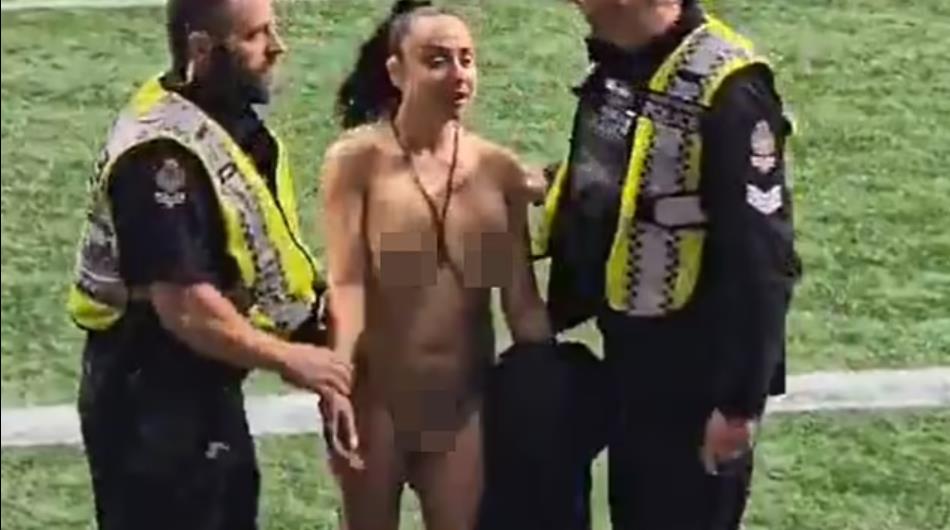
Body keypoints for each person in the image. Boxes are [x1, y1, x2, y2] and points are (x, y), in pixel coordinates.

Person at [67, 0, 353, 528]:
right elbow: (185, 307)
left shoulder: (222, 120)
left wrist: (317, 347)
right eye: (255, 36)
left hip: (197, 386)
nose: (277, 47)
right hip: (151, 396)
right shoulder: (158, 160)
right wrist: (294, 360)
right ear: (202, 49)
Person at [531, 0, 802, 528]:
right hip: (632, 358)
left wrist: (739, 402)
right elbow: (619, 185)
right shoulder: (622, 61)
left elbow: (761, 258)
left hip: (697, 376)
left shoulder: (730, 88)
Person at [319, 1, 552, 529]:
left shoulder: (499, 172)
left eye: (467, 59)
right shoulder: (356, 163)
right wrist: (337, 377)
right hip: (377, 403)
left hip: (461, 407)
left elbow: (521, 303)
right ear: (396, 71)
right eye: (437, 60)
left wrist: (554, 381)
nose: (458, 74)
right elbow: (347, 281)